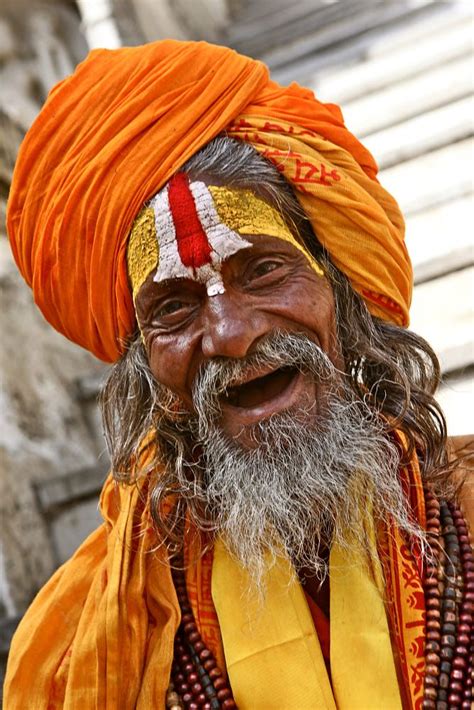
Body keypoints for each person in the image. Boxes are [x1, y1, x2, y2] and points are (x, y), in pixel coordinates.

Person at [3, 40, 473, 710]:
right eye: (173, 307)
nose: (231, 333)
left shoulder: (468, 514)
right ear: (140, 365)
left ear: (339, 286)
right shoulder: (81, 650)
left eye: (262, 270)